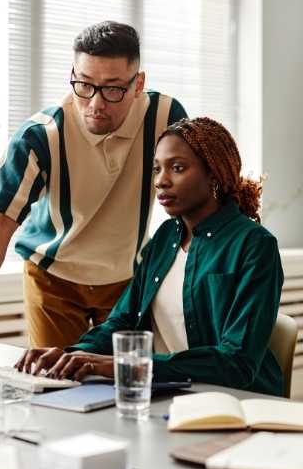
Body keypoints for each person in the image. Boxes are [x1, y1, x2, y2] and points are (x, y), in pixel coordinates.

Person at [16, 117, 285, 396]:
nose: (161, 181)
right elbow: (123, 321)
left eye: (177, 168)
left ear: (214, 174)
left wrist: (127, 366)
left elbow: (236, 362)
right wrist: (71, 355)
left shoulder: (255, 245)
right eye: (157, 169)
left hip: (235, 402)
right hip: (167, 394)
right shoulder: (166, 237)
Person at [0, 21, 187, 348]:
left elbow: (194, 188)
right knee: (55, 383)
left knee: (120, 383)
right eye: (84, 85)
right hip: (53, 280)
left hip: (126, 280)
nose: (96, 104)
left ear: (138, 83)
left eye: (113, 89)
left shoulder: (164, 115)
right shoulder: (41, 135)